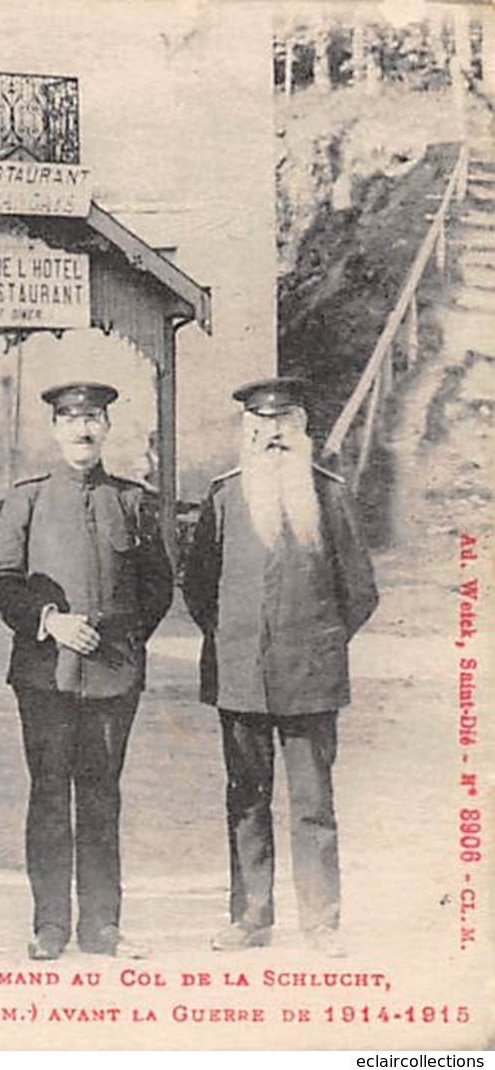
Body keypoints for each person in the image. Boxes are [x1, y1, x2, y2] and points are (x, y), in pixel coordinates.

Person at [182, 377, 378, 958]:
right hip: (240, 676)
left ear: (302, 430)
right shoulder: (223, 498)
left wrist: (320, 645)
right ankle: (250, 919)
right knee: (245, 797)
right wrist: (234, 644)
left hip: (312, 679)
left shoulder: (330, 494)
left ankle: (321, 922)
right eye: (262, 425)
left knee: (314, 805)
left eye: (284, 423)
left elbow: (360, 591)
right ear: (247, 431)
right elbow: (197, 589)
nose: (273, 435)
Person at [0, 382, 173, 962]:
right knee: (48, 798)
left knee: (100, 799)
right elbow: (1, 582)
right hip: (46, 677)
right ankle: (49, 926)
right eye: (70, 420)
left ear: (107, 427)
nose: (82, 430)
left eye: (93, 418)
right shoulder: (29, 500)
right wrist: (50, 623)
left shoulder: (132, 500)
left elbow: (158, 587)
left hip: (113, 678)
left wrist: (123, 643)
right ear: (55, 429)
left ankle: (101, 927)